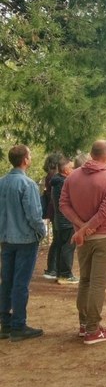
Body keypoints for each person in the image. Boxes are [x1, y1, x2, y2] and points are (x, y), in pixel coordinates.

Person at [59, 139, 106, 345]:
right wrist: (87, 228)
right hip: (104, 237)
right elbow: (105, 212)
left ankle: (84, 324)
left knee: (85, 280)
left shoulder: (72, 177)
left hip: (81, 239)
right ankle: (93, 329)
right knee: (98, 283)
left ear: (91, 154)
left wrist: (81, 228)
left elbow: (63, 204)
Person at [0, 144, 46, 341]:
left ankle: (5, 323)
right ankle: (19, 325)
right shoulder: (28, 184)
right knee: (21, 283)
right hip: (25, 239)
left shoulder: (2, 182)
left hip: (5, 238)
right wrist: (41, 232)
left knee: (6, 280)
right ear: (25, 160)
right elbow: (34, 215)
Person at [50, 155, 78, 284]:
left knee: (61, 247)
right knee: (68, 247)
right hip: (67, 221)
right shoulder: (65, 183)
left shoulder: (56, 182)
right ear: (66, 170)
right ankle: (66, 274)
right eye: (72, 168)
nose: (74, 170)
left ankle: (60, 273)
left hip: (59, 221)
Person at [41, 151, 61, 279]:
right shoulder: (54, 176)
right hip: (55, 210)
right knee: (57, 240)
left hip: (53, 210)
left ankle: (52, 268)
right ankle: (52, 268)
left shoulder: (49, 176)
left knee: (57, 240)